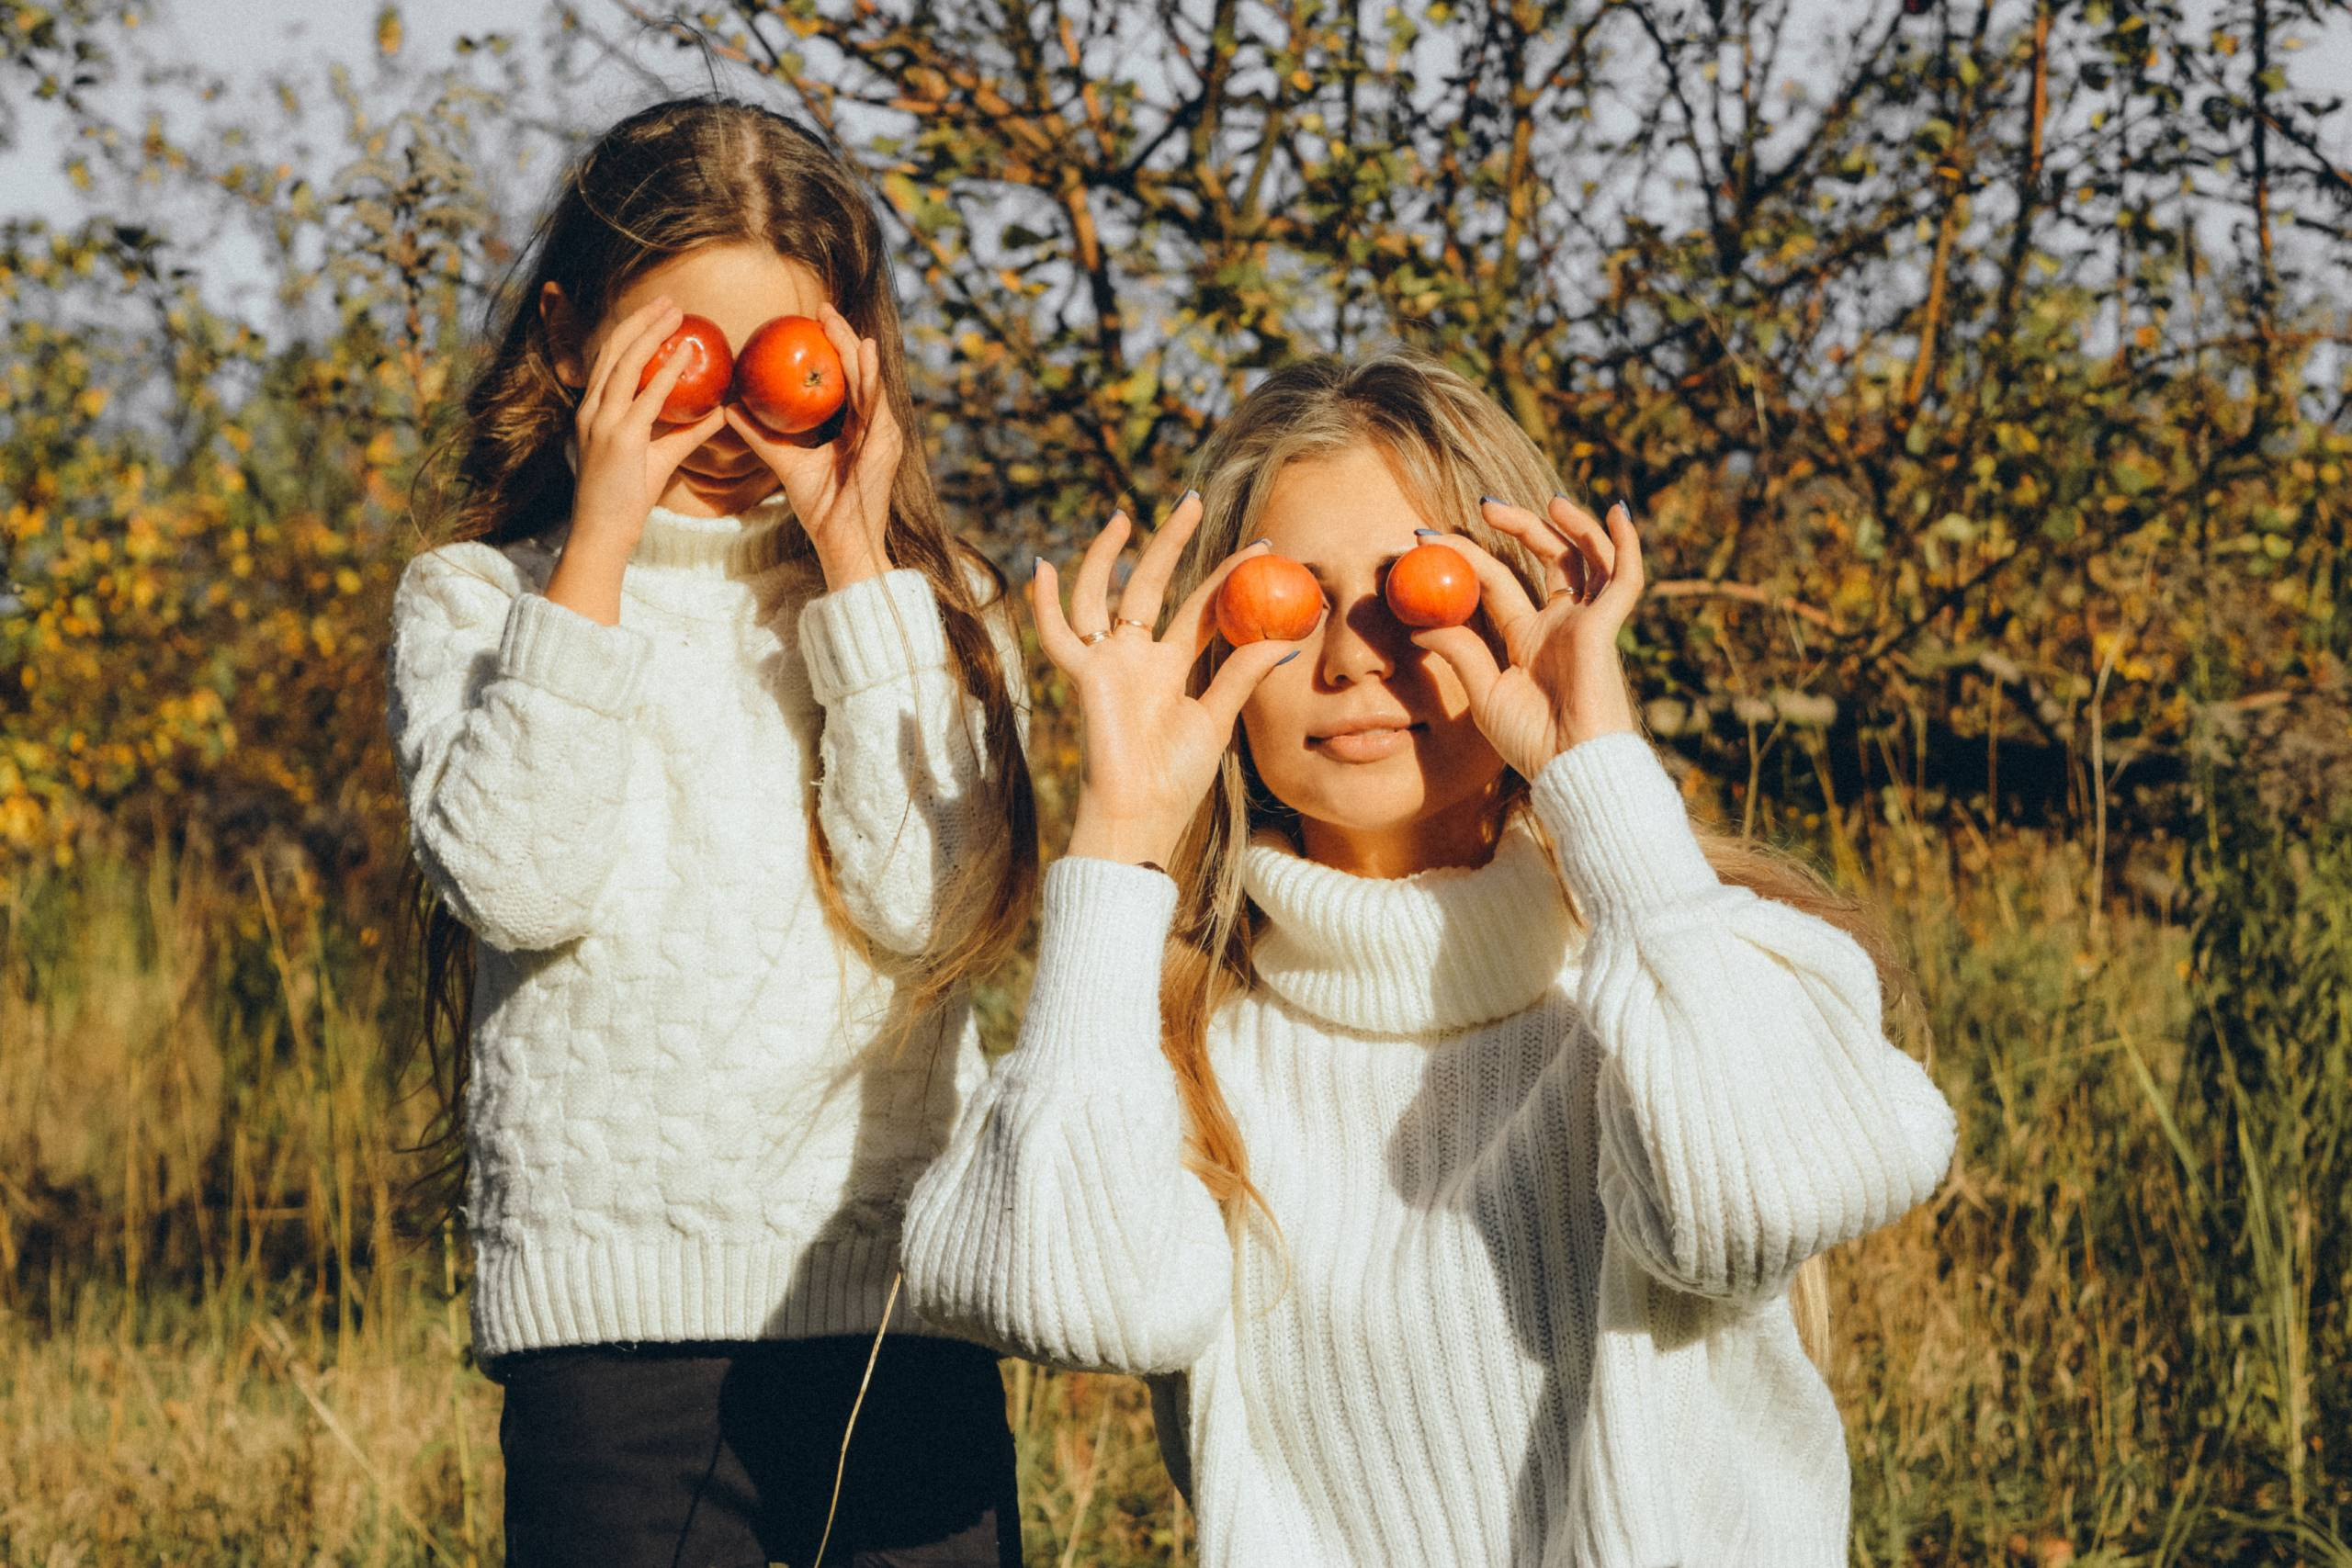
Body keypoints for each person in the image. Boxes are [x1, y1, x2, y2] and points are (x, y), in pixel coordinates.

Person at [902, 348, 1958, 1565]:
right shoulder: (1181, 1048)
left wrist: (1599, 777)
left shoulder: (1676, 963)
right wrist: (1121, 833)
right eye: (1288, 605)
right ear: (1216, 654)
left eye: (1418, 596)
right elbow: (1061, 1299)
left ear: (1515, 614)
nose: (1354, 659)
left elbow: (1766, 1195)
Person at [385, 96, 1034, 1568]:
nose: (733, 415)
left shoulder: (928, 618)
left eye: (779, 361)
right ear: (568, 341)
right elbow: (520, 884)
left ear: (853, 362)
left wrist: (857, 557)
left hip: (896, 1319)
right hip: (611, 1348)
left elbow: (931, 915)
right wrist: (601, 547)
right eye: (681, 360)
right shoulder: (481, 605)